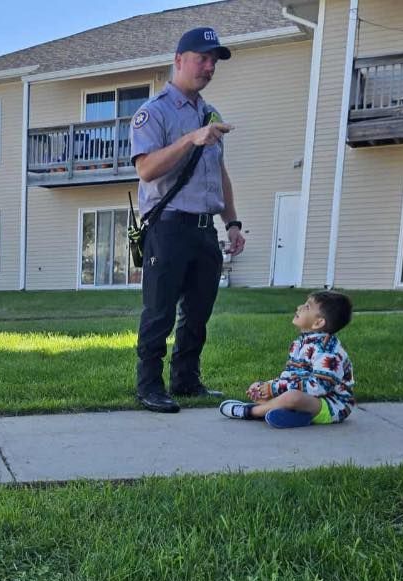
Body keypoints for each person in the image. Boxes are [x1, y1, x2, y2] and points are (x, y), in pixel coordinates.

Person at [129, 26, 247, 413]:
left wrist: (232, 223)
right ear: (179, 60)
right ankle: (149, 386)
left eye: (214, 61)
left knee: (198, 312)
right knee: (159, 311)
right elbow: (146, 170)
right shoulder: (154, 112)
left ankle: (186, 380)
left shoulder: (210, 114)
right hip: (169, 227)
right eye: (202, 58)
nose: (209, 67)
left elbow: (220, 172)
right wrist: (189, 139)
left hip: (204, 229)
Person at [219, 291, 355, 428]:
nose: (299, 307)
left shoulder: (328, 352)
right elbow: (290, 375)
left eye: (307, 307)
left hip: (331, 405)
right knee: (259, 388)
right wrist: (267, 386)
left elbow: (319, 387)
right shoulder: (300, 343)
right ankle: (294, 416)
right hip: (308, 398)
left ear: (318, 322)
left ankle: (251, 411)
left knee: (292, 397)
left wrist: (274, 388)